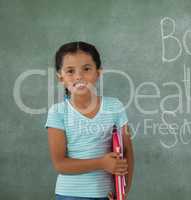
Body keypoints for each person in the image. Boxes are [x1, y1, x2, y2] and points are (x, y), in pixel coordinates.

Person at [44, 41, 134, 200]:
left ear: (98, 73)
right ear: (61, 77)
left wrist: (123, 191)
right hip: (69, 195)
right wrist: (101, 163)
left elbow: (127, 152)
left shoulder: (115, 106)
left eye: (86, 69)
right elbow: (60, 164)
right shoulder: (57, 112)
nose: (78, 76)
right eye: (70, 71)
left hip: (107, 195)